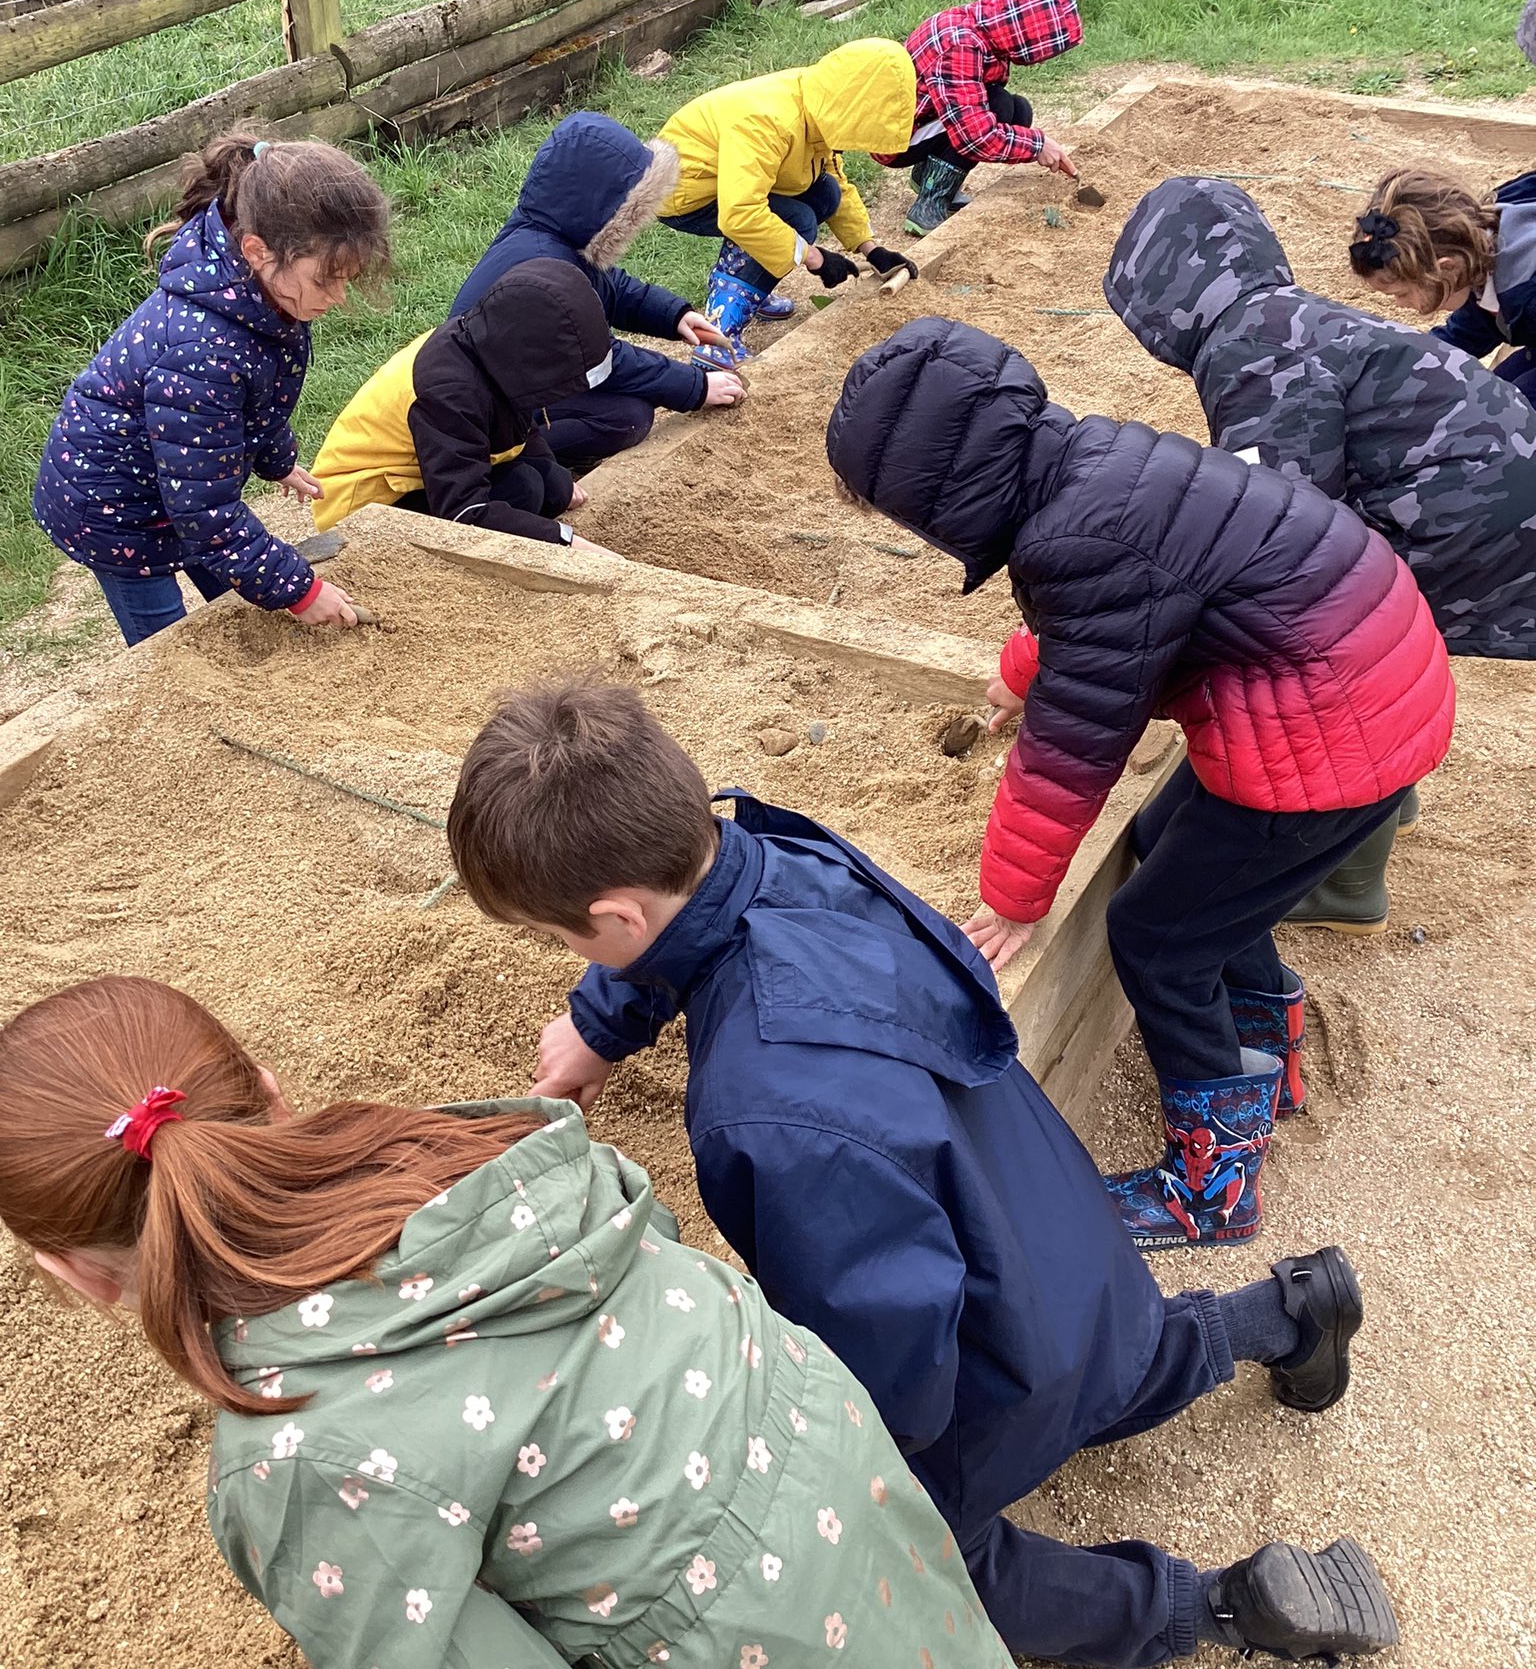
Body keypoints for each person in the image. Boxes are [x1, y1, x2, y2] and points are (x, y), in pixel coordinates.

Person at [446, 681, 1402, 1669]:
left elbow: (890, 1340)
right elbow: (691, 912)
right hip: (1061, 1240)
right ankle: (1291, 1309)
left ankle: (1217, 1605)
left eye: (561, 938)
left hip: (989, 1350)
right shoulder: (788, 850)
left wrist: (872, 1469)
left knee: (921, 1547)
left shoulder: (764, 1104)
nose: (566, 954)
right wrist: (605, 1016)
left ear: (612, 913)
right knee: (1098, 1352)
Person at [0, 974, 1010, 1669]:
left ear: (74, 1275)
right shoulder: (463, 1146)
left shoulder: (295, 1455)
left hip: (734, 1630)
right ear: (271, 1090)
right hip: (850, 1483)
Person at [824, 318, 1454, 1244]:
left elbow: (1076, 743)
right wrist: (1023, 663)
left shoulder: (1073, 541)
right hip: (1358, 683)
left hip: (1330, 732)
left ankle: (1214, 1183)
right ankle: (1265, 1046)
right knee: (1169, 853)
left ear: (939, 496)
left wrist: (1012, 898)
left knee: (1158, 937)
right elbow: (1128, 614)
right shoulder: (1093, 463)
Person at [1106, 176, 1536, 930]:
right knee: (1384, 638)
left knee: (1342, 656)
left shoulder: (1251, 354)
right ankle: (1389, 801)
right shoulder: (1270, 318)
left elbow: (1288, 539)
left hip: (1466, 518)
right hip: (1487, 484)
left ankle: (1348, 883)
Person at [32, 128, 391, 645]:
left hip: (176, 482)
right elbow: (206, 513)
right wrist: (302, 591)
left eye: (346, 280)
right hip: (112, 507)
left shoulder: (264, 293)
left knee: (229, 586)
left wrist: (277, 460)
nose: (336, 297)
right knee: (169, 646)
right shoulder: (203, 352)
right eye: (325, 281)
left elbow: (256, 402)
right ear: (257, 249)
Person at [448, 113, 745, 473]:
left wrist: (674, 315)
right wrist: (695, 387)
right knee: (626, 416)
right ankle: (517, 460)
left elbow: (609, 288)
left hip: (514, 377)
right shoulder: (546, 262)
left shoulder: (550, 236)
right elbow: (600, 358)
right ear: (603, 205)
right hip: (489, 406)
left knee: (631, 406)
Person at [310, 258, 613, 548]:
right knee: (523, 489)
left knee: (551, 483)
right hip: (364, 509)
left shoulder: (488, 344)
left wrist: (553, 474)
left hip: (419, 477)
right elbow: (463, 513)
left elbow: (520, 424)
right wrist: (563, 539)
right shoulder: (448, 392)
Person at [656, 39, 920, 365]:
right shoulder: (770, 121)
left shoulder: (819, 104)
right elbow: (740, 213)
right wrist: (816, 258)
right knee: (798, 221)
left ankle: (751, 290)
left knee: (825, 194)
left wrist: (871, 249)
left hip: (733, 182)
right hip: (683, 190)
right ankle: (716, 332)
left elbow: (834, 178)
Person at [873, 0, 1083, 236]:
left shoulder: (982, 28)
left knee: (1018, 110)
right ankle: (929, 204)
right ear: (1024, 29)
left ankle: (927, 177)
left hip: (925, 120)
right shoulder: (961, 45)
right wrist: (1037, 145)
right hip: (897, 138)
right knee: (998, 108)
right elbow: (974, 136)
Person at [1345, 165, 1536, 409]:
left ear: (1446, 269)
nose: (1400, 304)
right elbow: (1471, 330)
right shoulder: (1480, 252)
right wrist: (1407, 366)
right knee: (1501, 390)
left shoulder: (1524, 294)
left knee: (1518, 413)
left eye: (1402, 293)